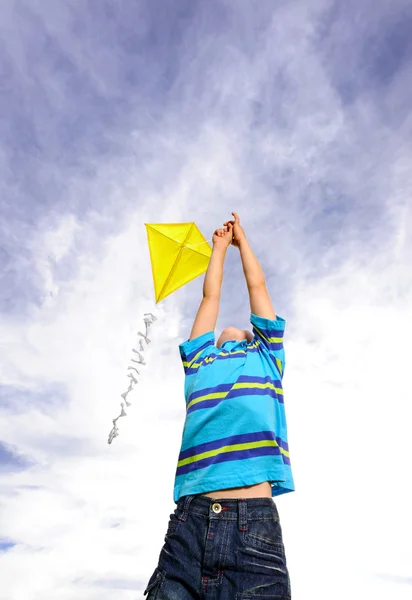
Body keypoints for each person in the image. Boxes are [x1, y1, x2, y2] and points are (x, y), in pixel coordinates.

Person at [143, 212, 294, 599]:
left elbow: (256, 285)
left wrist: (244, 243)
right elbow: (210, 296)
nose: (230, 326)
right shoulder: (199, 363)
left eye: (244, 331)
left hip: (253, 529)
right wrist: (219, 249)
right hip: (190, 524)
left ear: (253, 339)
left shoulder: (266, 359)